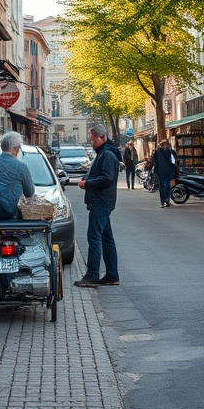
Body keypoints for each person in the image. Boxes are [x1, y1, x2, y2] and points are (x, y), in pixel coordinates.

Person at [74, 123, 121, 288]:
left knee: (93, 237)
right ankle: (112, 275)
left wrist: (86, 184)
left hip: (101, 202)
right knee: (106, 238)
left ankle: (92, 275)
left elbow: (106, 178)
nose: (91, 142)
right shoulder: (105, 152)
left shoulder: (107, 154)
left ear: (101, 137)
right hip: (103, 201)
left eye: (92, 139)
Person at [149, 139, 178, 207]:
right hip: (168, 171)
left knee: (162, 186)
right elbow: (175, 160)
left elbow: (155, 161)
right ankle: (167, 201)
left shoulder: (157, 152)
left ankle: (163, 201)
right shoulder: (171, 152)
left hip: (161, 171)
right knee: (167, 185)